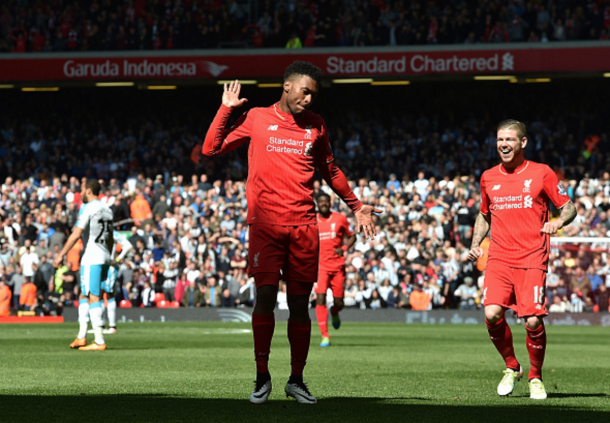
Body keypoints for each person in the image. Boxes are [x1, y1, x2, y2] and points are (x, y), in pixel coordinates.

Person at [202, 61, 380, 405]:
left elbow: (330, 169)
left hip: (304, 226)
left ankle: (296, 379)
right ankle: (262, 377)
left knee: (300, 305)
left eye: (314, 94)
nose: (309, 99)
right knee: (266, 296)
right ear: (287, 87)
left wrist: (356, 205)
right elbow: (211, 148)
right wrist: (225, 110)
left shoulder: (316, 125)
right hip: (266, 226)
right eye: (305, 91)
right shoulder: (257, 118)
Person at [468, 119, 576, 400]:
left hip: (532, 256)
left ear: (523, 143)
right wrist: (475, 242)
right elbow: (484, 213)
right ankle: (511, 366)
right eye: (499, 140)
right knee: (491, 313)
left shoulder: (542, 173)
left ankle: (535, 377)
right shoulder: (488, 177)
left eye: (510, 140)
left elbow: (569, 207)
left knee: (531, 321)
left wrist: (558, 222)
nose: (503, 144)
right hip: (500, 257)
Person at [54, 180, 114, 351]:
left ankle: (100, 340)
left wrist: (60, 255)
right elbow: (111, 238)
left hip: (92, 257)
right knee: (83, 294)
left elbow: (76, 235)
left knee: (93, 296)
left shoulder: (89, 208)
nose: (80, 193)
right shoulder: (108, 210)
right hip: (104, 256)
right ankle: (81, 336)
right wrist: (108, 258)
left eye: (81, 190)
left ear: (88, 190)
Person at [314, 192, 356, 347]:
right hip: (320, 267)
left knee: (339, 302)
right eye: (321, 202)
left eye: (326, 201)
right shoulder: (312, 220)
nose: (324, 204)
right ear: (317, 204)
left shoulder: (340, 219)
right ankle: (325, 335)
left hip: (338, 266)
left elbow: (352, 236)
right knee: (320, 298)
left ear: (330, 203)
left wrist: (343, 248)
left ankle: (335, 312)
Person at [101, 230, 133, 334]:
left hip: (110, 267)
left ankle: (112, 326)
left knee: (109, 294)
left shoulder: (112, 233)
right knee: (99, 294)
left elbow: (127, 245)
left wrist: (118, 259)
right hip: (99, 266)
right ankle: (100, 325)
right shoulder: (97, 231)